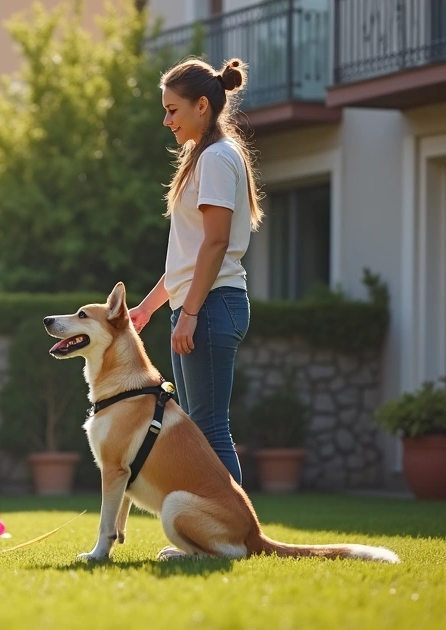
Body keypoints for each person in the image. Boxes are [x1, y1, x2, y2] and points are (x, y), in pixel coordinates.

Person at [127, 57, 264, 485]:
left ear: (201, 106)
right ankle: (214, 536)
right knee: (197, 430)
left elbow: (215, 243)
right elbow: (188, 257)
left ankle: (230, 536)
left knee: (209, 430)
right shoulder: (201, 157)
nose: (166, 120)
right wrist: (148, 309)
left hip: (210, 306)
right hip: (199, 304)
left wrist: (188, 314)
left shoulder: (217, 158)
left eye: (173, 110)